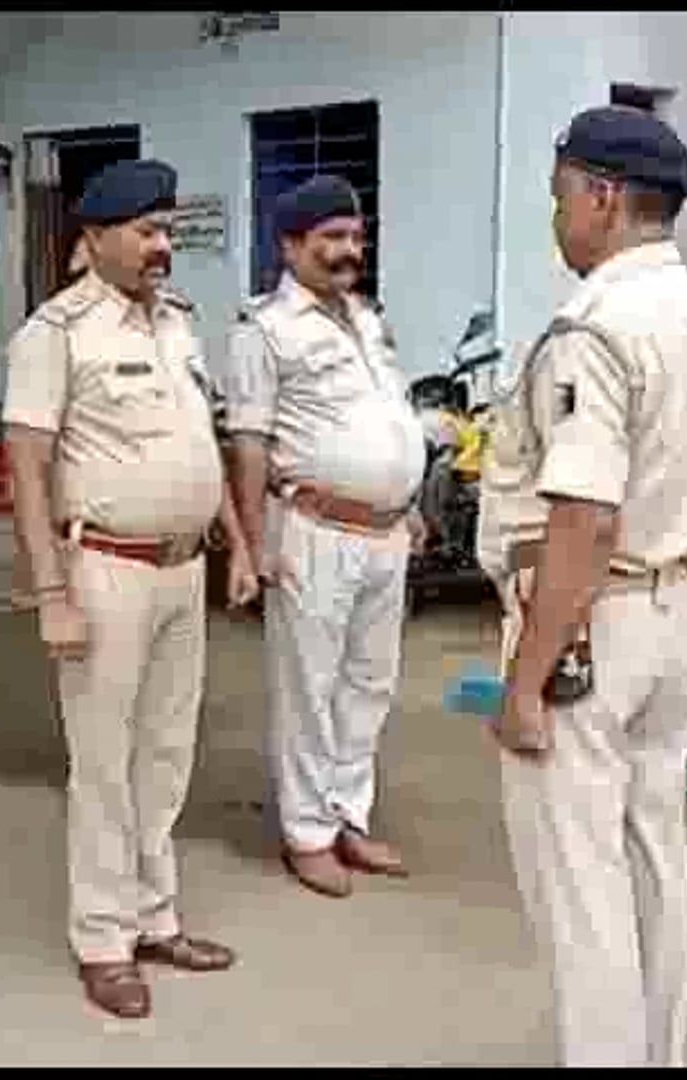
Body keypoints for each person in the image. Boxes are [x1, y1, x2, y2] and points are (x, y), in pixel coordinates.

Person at [476, 105, 687, 1068]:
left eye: (562, 196)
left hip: (587, 626)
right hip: (674, 613)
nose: (557, 218)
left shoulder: (593, 330)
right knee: (653, 860)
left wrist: (527, 683)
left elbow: (585, 519)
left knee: (582, 889)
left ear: (602, 197)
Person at [2, 158, 258, 1020]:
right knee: (105, 762)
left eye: (167, 232)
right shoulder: (56, 333)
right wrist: (51, 592)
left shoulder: (178, 322)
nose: (161, 247)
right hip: (105, 569)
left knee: (166, 751)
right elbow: (27, 468)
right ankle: (104, 940)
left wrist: (236, 541)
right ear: (95, 238)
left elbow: (201, 440)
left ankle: (155, 917)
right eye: (146, 233)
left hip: (184, 567)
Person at [218, 175, 428, 899]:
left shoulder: (366, 319)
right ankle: (307, 833)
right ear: (290, 245)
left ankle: (348, 815)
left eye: (356, 236)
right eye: (332, 238)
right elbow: (249, 442)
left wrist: (405, 499)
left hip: (385, 532)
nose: (349, 251)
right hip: (312, 530)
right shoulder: (265, 329)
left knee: (369, 684)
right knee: (309, 687)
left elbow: (388, 414)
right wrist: (252, 545)